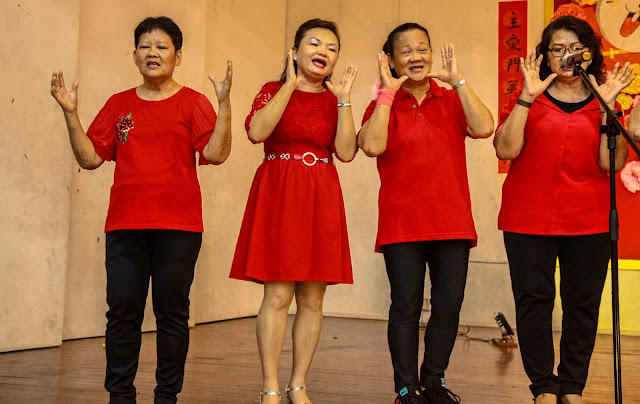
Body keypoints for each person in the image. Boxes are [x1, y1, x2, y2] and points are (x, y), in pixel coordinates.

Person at [50, 16, 232, 404]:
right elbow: (90, 158)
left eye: (162, 46)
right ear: (134, 55)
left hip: (179, 227)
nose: (153, 53)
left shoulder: (193, 102)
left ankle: (167, 396)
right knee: (122, 314)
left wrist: (224, 104)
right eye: (145, 46)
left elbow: (216, 153)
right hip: (125, 226)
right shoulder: (119, 104)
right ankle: (120, 396)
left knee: (172, 314)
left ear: (177, 56)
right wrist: (70, 113)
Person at [493, 15, 634, 404]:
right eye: (557, 49)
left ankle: (572, 387)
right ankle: (542, 386)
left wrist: (608, 108)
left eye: (575, 48)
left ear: (589, 54)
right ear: (545, 56)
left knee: (582, 305)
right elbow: (504, 149)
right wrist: (526, 97)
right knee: (534, 303)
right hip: (527, 218)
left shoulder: (603, 100)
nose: (567, 55)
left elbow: (612, 164)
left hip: (589, 220)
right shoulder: (530, 96)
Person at [358, 23, 494, 404]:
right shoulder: (383, 103)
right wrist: (387, 94)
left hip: (452, 221)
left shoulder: (450, 98)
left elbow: (485, 127)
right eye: (405, 51)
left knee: (448, 306)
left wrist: (459, 81)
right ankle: (405, 388)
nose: (415, 57)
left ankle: (433, 381)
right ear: (391, 60)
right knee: (406, 307)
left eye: (422, 49)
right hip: (402, 224)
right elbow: (371, 145)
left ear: (432, 54)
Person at [229, 18, 357, 404]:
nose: (323, 52)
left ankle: (298, 384)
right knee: (278, 295)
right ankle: (269, 385)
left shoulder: (335, 98)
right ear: (295, 51)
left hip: (321, 193)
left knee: (313, 299)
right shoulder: (271, 91)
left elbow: (346, 152)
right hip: (281, 192)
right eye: (314, 44)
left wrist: (345, 100)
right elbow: (257, 132)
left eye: (332, 48)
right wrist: (289, 85)